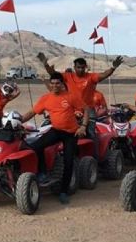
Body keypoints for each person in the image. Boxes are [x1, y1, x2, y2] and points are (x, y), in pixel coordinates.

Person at [20, 73, 88, 204]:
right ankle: (43, 173)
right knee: (35, 146)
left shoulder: (70, 96)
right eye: (52, 83)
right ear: (50, 84)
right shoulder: (46, 98)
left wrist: (83, 126)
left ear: (62, 84)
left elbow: (86, 109)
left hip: (71, 134)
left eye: (57, 83)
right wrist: (16, 121)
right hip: (56, 130)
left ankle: (63, 191)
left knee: (68, 162)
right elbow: (31, 113)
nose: (55, 86)